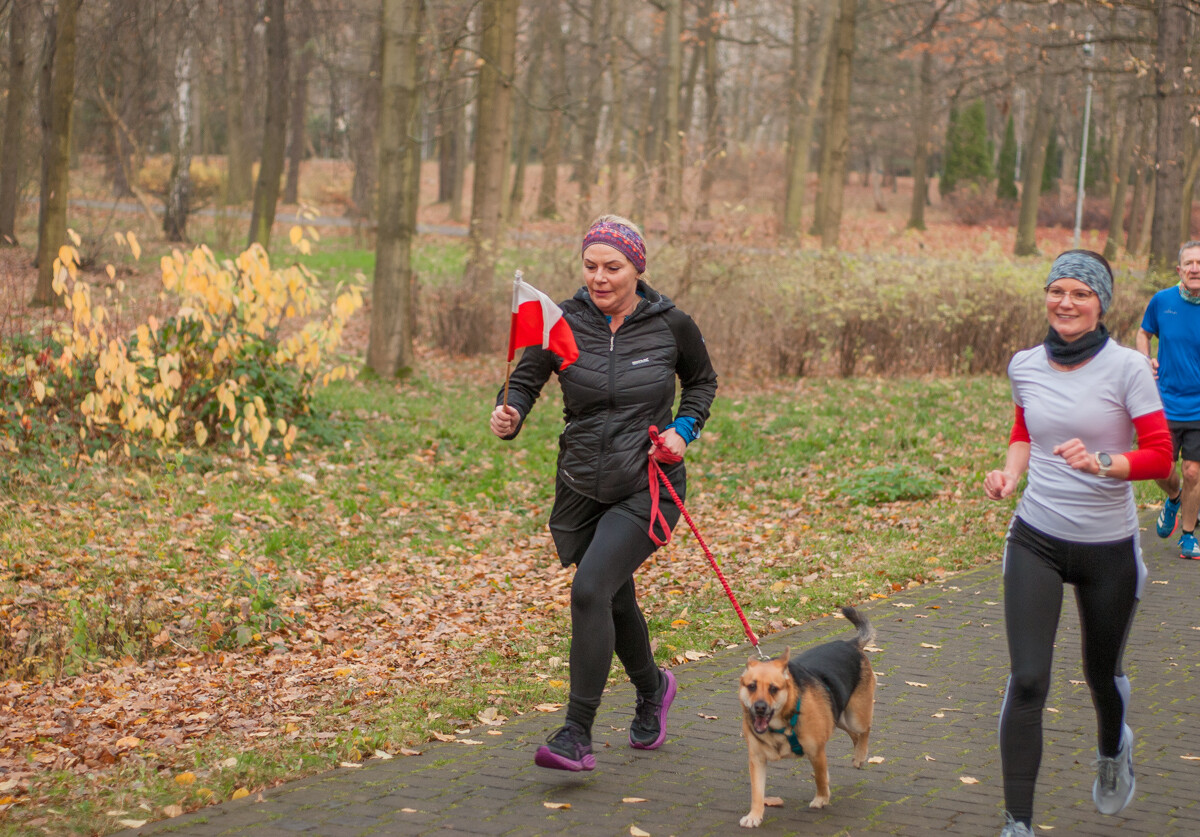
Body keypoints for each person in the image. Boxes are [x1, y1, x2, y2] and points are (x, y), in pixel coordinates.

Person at [489, 215, 718, 772]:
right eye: (590, 266)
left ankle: (576, 734)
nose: (599, 277)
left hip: (646, 485)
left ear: (638, 268)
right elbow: (526, 376)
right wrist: (512, 409)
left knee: (591, 589)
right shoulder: (563, 321)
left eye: (612, 267)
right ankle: (653, 688)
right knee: (614, 598)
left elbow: (702, 382)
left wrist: (682, 432)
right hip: (581, 485)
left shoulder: (671, 325)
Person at [983, 250, 1173, 837]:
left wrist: (1105, 462)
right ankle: (1018, 823)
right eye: (1057, 290)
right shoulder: (1025, 364)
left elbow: (1161, 456)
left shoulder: (1128, 369)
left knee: (1100, 675)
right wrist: (1011, 473)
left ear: (1101, 304)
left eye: (1080, 294)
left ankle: (1114, 747)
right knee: (1030, 678)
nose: (1065, 302)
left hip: (1108, 548)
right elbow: (1023, 431)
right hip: (1036, 537)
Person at [1135, 240, 1200, 560]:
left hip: (1199, 407)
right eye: (1189, 263)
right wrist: (1144, 360)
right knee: (1159, 466)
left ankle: (1188, 536)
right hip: (1164, 403)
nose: (1195, 268)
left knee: (1192, 472)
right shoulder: (1162, 301)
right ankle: (1173, 497)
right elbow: (1143, 333)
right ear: (1179, 270)